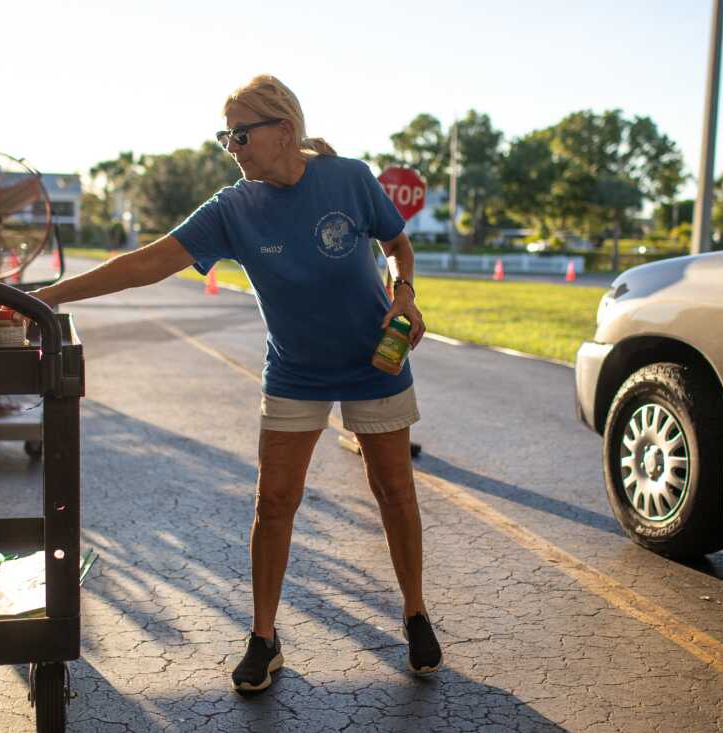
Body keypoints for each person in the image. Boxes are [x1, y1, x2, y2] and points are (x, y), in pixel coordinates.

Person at [31, 74, 441, 692]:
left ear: (285, 131)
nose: (234, 148)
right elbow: (145, 263)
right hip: (295, 371)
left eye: (241, 134)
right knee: (273, 503)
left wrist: (404, 293)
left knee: (393, 491)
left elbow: (398, 245)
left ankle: (414, 614)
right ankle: (264, 638)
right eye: (226, 139)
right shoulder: (234, 208)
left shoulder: (350, 178)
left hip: (373, 361)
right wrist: (45, 298)